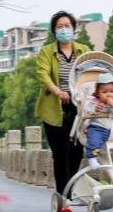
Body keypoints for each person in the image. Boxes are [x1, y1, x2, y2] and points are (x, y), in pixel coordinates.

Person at [35, 10, 91, 195]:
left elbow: (91, 73)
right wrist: (58, 91)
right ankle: (62, 196)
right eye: (59, 26)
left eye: (67, 26)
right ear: (54, 31)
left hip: (79, 107)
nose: (64, 29)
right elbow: (42, 75)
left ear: (74, 29)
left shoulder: (83, 50)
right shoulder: (46, 52)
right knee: (60, 153)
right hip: (54, 108)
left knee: (76, 151)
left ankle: (70, 190)